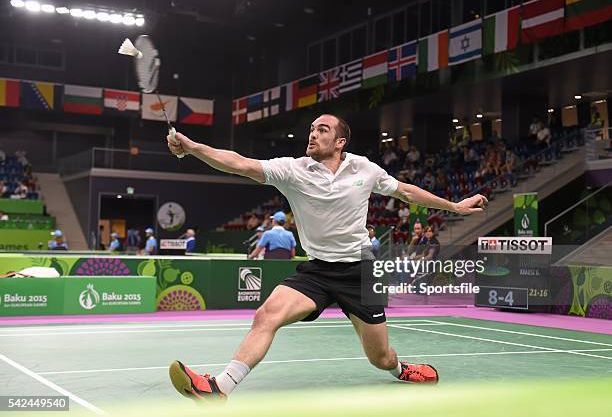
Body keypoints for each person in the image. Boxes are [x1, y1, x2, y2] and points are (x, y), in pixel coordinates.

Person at [165, 113, 487, 402]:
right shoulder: (293, 170)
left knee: (380, 358)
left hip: (363, 271)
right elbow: (239, 163)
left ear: (340, 141)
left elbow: (406, 191)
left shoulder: (365, 168)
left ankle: (400, 368)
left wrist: (456, 207)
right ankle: (220, 388)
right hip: (316, 271)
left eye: (322, 129)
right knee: (266, 316)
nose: (313, 134)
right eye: (312, 129)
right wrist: (193, 147)